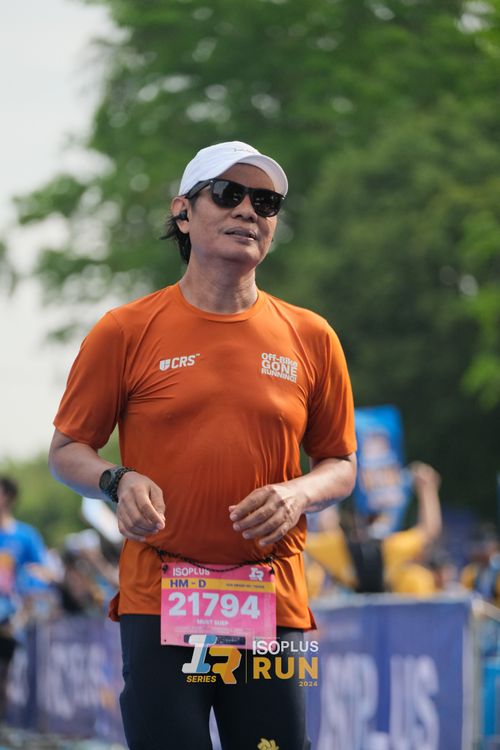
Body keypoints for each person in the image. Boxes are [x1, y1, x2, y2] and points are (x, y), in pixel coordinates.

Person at [48, 140, 357, 750]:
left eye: (265, 202)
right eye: (228, 193)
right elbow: (66, 451)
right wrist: (117, 480)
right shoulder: (125, 330)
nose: (248, 210)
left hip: (270, 598)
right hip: (160, 595)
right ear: (183, 212)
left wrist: (298, 494)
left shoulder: (311, 335)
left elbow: (340, 464)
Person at [306, 461, 442, 596]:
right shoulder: (389, 547)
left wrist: (427, 489)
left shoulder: (337, 545)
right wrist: (427, 489)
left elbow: (429, 531)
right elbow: (429, 530)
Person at [0, 476, 48, 718]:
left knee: (4, 672)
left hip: (9, 616)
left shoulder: (25, 536)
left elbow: (42, 572)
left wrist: (27, 601)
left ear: (9, 497)